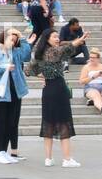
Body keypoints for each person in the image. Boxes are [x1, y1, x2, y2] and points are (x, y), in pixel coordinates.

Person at [32, 27, 83, 167]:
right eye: (54, 36)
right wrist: (77, 41)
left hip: (47, 90)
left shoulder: (40, 53)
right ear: (47, 39)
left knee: (48, 123)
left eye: (57, 36)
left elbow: (29, 70)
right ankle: (67, 159)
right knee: (63, 122)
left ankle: (48, 158)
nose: (57, 38)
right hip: (58, 89)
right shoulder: (52, 51)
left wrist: (43, 77)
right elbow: (64, 50)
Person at [0, 26, 30, 163]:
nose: (13, 42)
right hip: (2, 92)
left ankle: (5, 151)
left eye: (15, 40)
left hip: (16, 91)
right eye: (11, 39)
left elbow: (27, 55)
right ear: (4, 39)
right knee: (1, 122)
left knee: (11, 122)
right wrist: (4, 68)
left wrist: (22, 38)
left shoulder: (15, 52)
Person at [80, 51, 102, 115]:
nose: (91, 59)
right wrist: (93, 77)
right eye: (90, 57)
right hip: (91, 87)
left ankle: (94, 101)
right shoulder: (86, 67)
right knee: (96, 95)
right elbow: (81, 81)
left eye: (93, 57)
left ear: (98, 59)